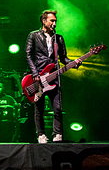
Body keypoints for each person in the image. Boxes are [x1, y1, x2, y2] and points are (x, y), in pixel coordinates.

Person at [25, 9, 81, 143]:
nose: (54, 23)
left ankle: (57, 134)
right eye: (52, 21)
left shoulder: (59, 38)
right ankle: (41, 134)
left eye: (55, 21)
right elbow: (28, 55)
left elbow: (63, 58)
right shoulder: (33, 35)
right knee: (39, 108)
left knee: (58, 108)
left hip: (54, 77)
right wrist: (35, 73)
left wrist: (73, 63)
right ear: (44, 21)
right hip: (38, 76)